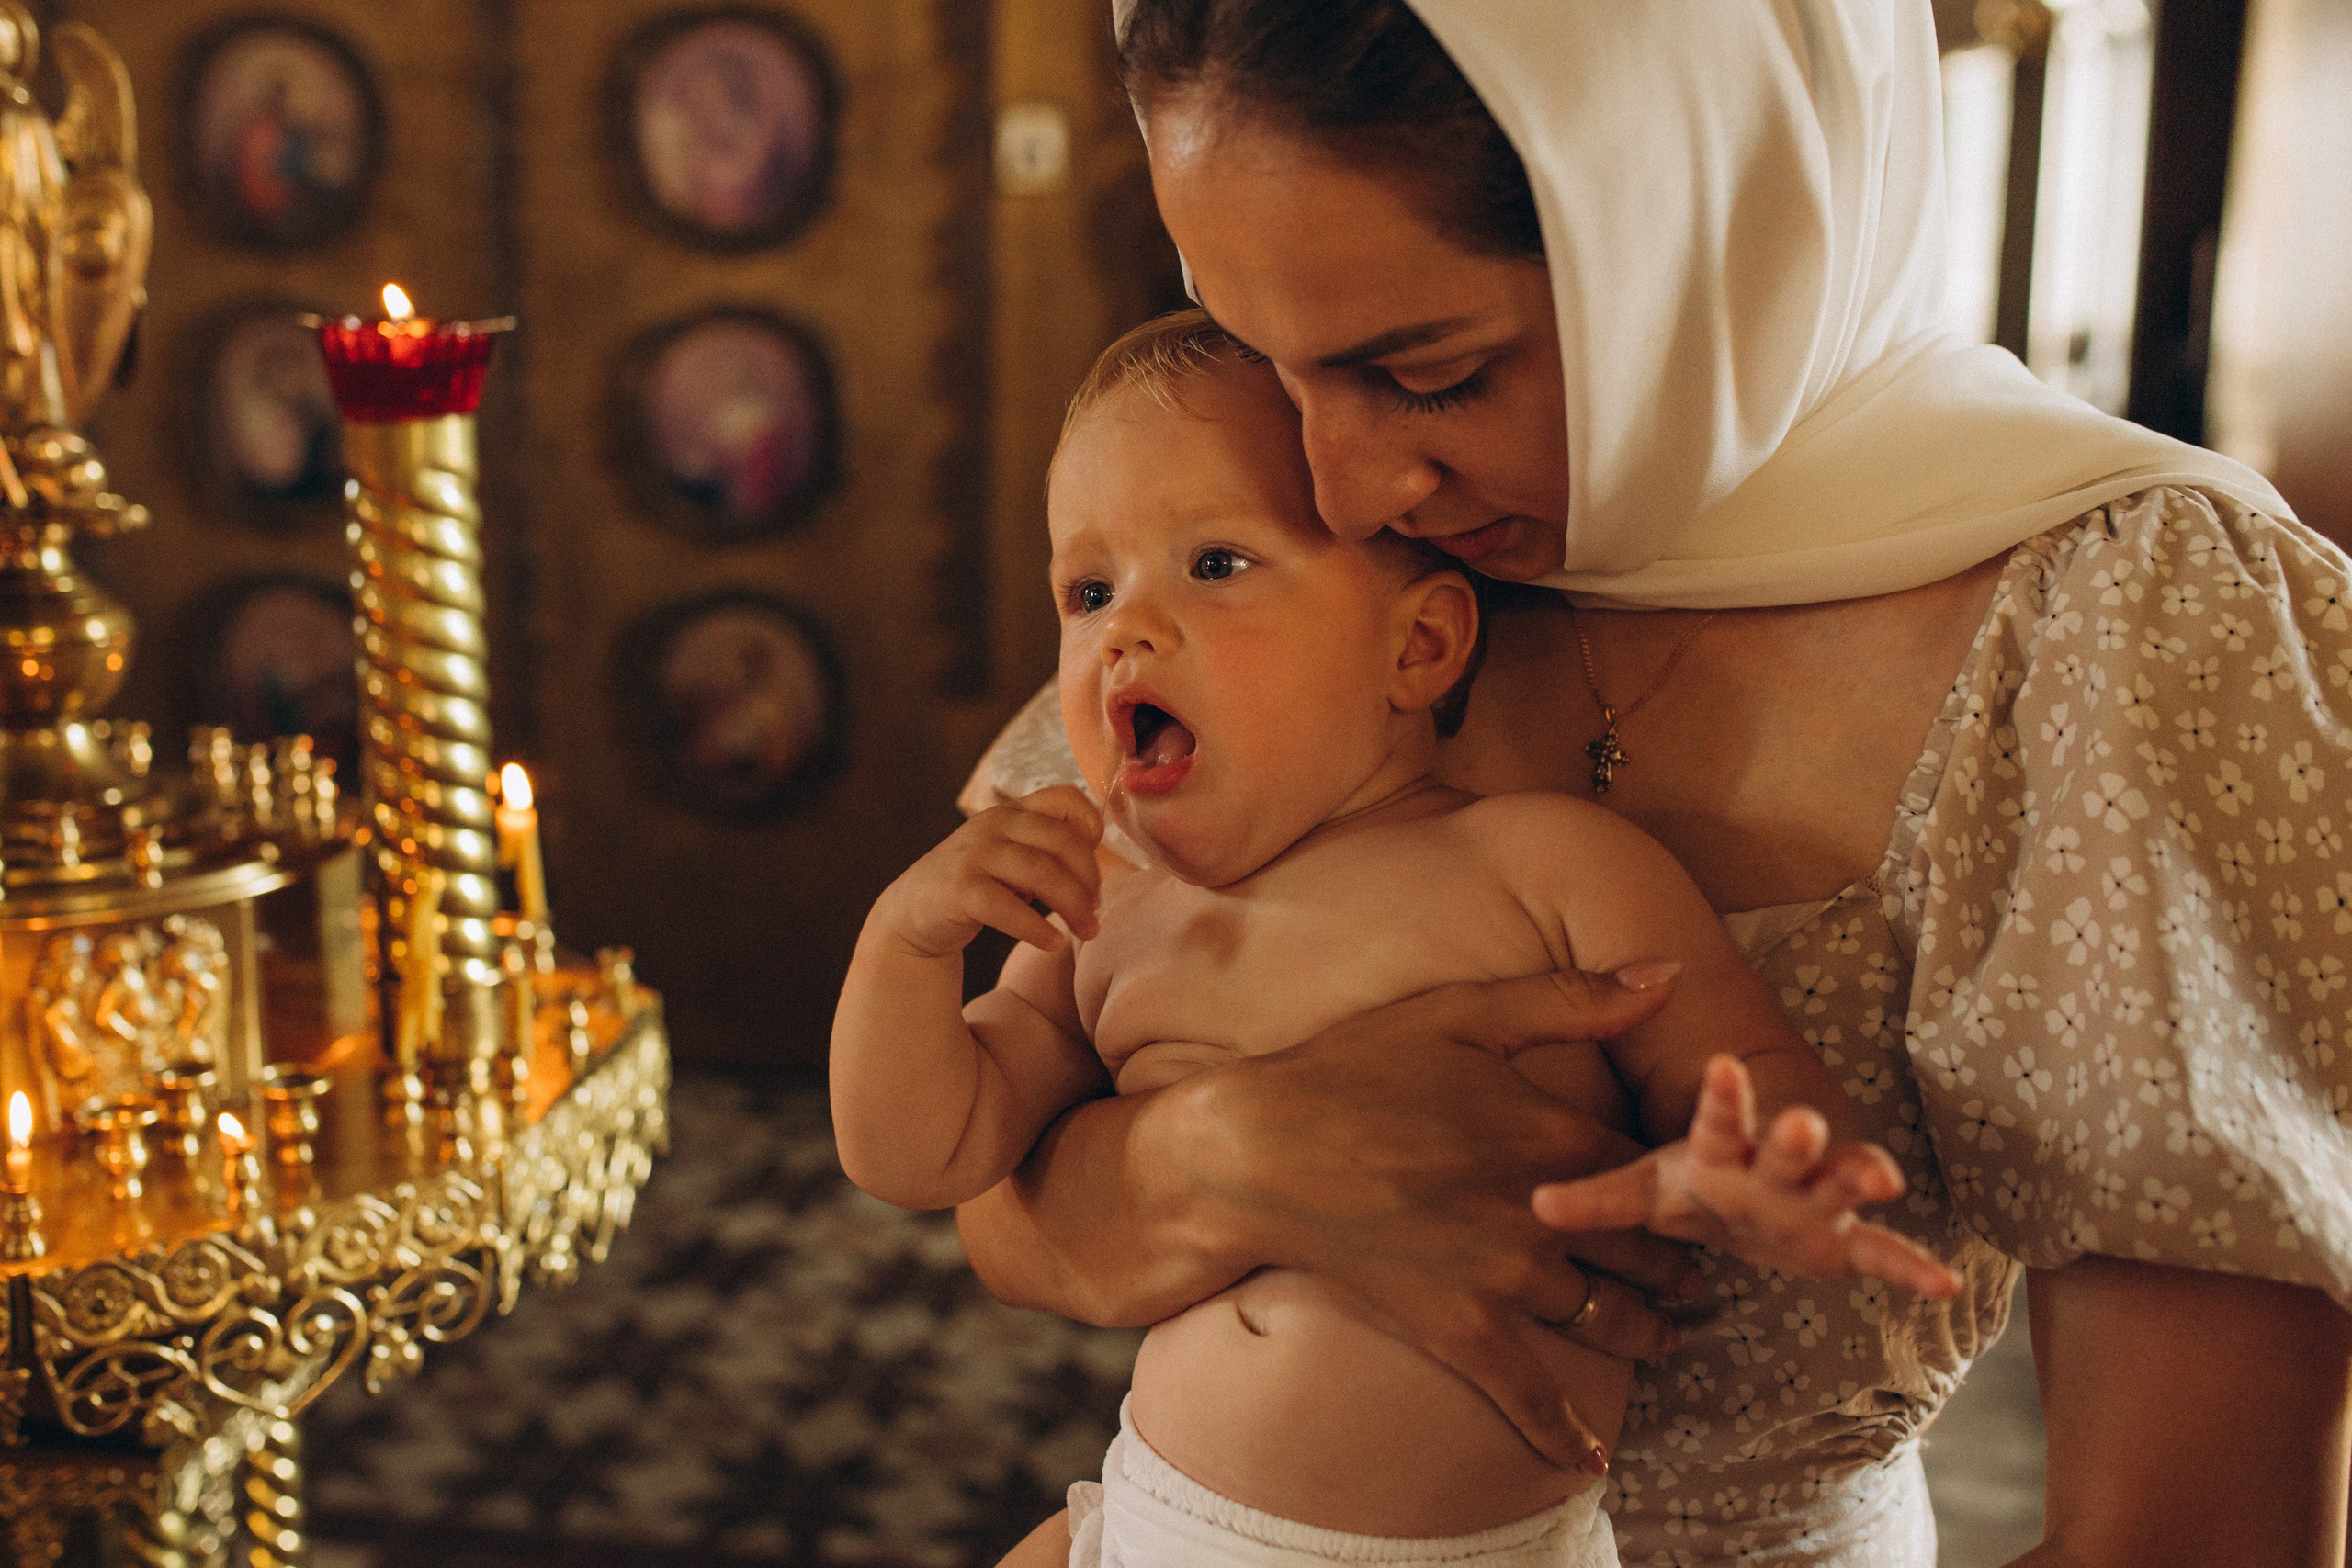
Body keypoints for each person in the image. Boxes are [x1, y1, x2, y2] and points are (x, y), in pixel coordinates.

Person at [953, 3, 2352, 1563]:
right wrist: (1224, 1153)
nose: (1340, 487)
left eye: (1431, 374)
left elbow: (2200, 1536)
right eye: (1274, 367)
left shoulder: (2123, 625)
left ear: (1707, 221)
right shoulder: (1281, 567)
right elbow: (997, 1197)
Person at [834, 313, 1959, 1567]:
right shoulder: (1103, 910)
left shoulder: (1544, 864)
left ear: (1417, 645)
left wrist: (1765, 1170)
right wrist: (905, 946)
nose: (1123, 631)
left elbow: (1744, 1070)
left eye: (1214, 563)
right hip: (1162, 1523)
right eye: (1088, 592)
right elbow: (921, 1153)